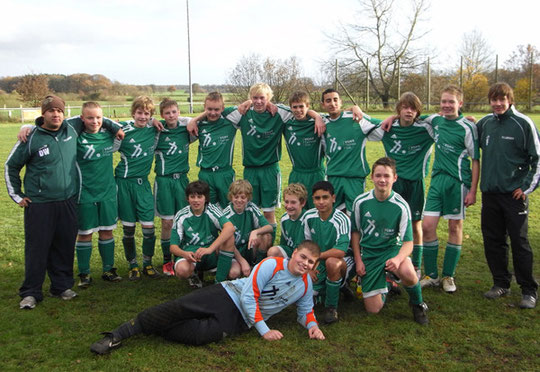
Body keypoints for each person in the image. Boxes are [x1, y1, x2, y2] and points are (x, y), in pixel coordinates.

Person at [90, 240, 325, 354]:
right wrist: (265, 331)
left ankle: (155, 325)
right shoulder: (271, 264)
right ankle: (118, 334)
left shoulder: (304, 285)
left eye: (310, 262)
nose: (305, 263)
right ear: (294, 253)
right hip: (226, 295)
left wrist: (312, 326)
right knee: (178, 308)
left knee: (199, 337)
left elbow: (305, 312)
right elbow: (249, 297)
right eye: (302, 257)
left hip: (241, 321)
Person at [6, 95, 122, 309]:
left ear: (64, 113)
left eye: (59, 110)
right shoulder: (31, 137)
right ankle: (31, 292)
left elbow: (96, 117)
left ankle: (61, 286)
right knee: (37, 248)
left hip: (68, 200)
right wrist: (17, 195)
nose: (56, 114)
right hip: (39, 203)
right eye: (51, 111)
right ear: (43, 114)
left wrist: (114, 127)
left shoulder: (71, 128)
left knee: (64, 245)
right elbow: (11, 166)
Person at [476, 82, 539, 309]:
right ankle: (500, 283)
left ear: (509, 100)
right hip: (490, 194)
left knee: (519, 242)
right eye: (494, 100)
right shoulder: (485, 124)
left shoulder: (523, 124)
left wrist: (526, 187)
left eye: (502, 99)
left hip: (514, 196)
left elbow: (537, 158)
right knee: (493, 241)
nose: (498, 104)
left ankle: (528, 290)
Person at [351, 157, 429, 325]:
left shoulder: (401, 205)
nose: (382, 180)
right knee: (373, 310)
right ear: (372, 177)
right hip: (369, 254)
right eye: (378, 175)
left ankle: (417, 304)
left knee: (408, 272)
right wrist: (358, 261)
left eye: (386, 176)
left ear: (395, 178)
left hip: (391, 250)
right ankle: (387, 282)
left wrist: (397, 259)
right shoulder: (360, 202)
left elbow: (408, 242)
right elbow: (355, 233)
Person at [419, 85, 480, 293]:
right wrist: (391, 118)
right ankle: (431, 275)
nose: (446, 105)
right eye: (444, 101)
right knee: (427, 226)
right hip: (437, 181)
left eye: (451, 102)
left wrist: (472, 190)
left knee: (455, 227)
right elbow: (411, 113)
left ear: (460, 104)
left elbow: (475, 160)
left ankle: (448, 276)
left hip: (458, 183)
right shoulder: (435, 120)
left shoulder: (468, 127)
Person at [370, 92, 435, 278]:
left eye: (413, 108)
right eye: (405, 107)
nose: (409, 111)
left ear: (418, 111)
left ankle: (416, 266)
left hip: (415, 184)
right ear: (398, 110)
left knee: (415, 225)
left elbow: (444, 120)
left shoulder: (425, 129)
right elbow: (364, 120)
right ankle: (391, 263)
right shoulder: (387, 128)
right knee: (390, 224)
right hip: (394, 184)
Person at [73, 102, 123, 287]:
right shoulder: (75, 137)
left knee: (106, 230)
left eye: (99, 118)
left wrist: (114, 125)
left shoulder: (109, 136)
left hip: (108, 192)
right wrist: (27, 126)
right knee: (85, 233)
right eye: (90, 117)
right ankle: (84, 273)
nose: (95, 121)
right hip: (84, 193)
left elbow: (133, 124)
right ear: (82, 119)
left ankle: (108, 269)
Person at [114, 96, 160, 280]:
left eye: (147, 113)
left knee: (149, 227)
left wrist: (155, 120)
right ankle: (132, 265)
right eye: (139, 113)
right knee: (129, 228)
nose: (143, 117)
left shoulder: (154, 129)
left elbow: (175, 120)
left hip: (143, 183)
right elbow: (108, 141)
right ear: (133, 113)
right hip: (124, 183)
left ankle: (147, 264)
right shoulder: (123, 130)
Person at [169, 180, 240, 286]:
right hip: (191, 253)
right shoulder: (181, 215)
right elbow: (173, 247)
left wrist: (210, 249)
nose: (196, 200)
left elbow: (230, 228)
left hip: (211, 251)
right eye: (192, 197)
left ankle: (218, 282)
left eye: (199, 197)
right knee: (182, 270)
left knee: (234, 272)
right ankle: (193, 275)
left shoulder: (211, 210)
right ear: (187, 198)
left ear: (206, 198)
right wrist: (185, 254)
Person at [320, 89, 379, 213]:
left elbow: (383, 125)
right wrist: (315, 116)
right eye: (328, 101)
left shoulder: (355, 118)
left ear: (341, 102)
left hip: (354, 177)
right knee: (335, 215)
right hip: (333, 177)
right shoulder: (322, 123)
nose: (332, 103)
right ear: (323, 105)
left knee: (354, 217)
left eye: (335, 100)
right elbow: (304, 111)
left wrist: (355, 108)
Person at [303, 181, 353, 324]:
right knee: (308, 293)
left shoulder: (341, 219)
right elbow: (306, 245)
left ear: (333, 198)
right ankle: (338, 288)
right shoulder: (308, 217)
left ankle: (331, 307)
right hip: (317, 260)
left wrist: (316, 258)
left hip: (341, 260)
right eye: (317, 198)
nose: (321, 202)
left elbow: (341, 251)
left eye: (325, 197)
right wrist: (308, 268)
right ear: (313, 200)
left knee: (332, 263)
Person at [154, 98, 192, 276]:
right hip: (164, 181)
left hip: (182, 180)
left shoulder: (187, 130)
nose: (171, 115)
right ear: (162, 115)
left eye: (174, 112)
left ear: (178, 112)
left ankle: (182, 257)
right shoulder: (156, 131)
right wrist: (151, 121)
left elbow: (195, 121)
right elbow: (138, 123)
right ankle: (166, 260)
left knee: (184, 220)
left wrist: (186, 120)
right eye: (167, 113)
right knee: (168, 222)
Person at [193, 92, 238, 208]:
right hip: (206, 173)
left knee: (229, 208)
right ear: (204, 107)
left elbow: (248, 104)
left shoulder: (230, 121)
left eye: (217, 109)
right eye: (209, 109)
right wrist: (194, 120)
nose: (213, 113)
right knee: (208, 209)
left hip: (224, 173)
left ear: (223, 108)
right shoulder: (199, 124)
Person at [283, 91, 325, 209]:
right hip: (297, 174)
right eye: (294, 107)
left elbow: (338, 114)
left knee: (318, 209)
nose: (298, 110)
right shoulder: (286, 123)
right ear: (290, 108)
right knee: (296, 209)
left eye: (301, 106)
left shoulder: (320, 122)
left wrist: (317, 117)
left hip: (317, 173)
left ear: (308, 106)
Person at [223, 180, 273, 271]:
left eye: (243, 197)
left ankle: (257, 266)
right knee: (234, 273)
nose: (239, 200)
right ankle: (242, 267)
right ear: (231, 197)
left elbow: (269, 227)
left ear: (248, 198)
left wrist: (255, 231)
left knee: (266, 236)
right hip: (235, 251)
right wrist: (242, 261)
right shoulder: (226, 215)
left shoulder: (250, 207)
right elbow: (226, 243)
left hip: (249, 246)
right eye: (236, 197)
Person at [267, 183, 308, 259]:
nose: (289, 206)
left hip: (304, 254)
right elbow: (283, 244)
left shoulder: (308, 219)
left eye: (293, 202)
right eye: (286, 202)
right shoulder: (284, 219)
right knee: (273, 251)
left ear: (302, 203)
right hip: (291, 251)